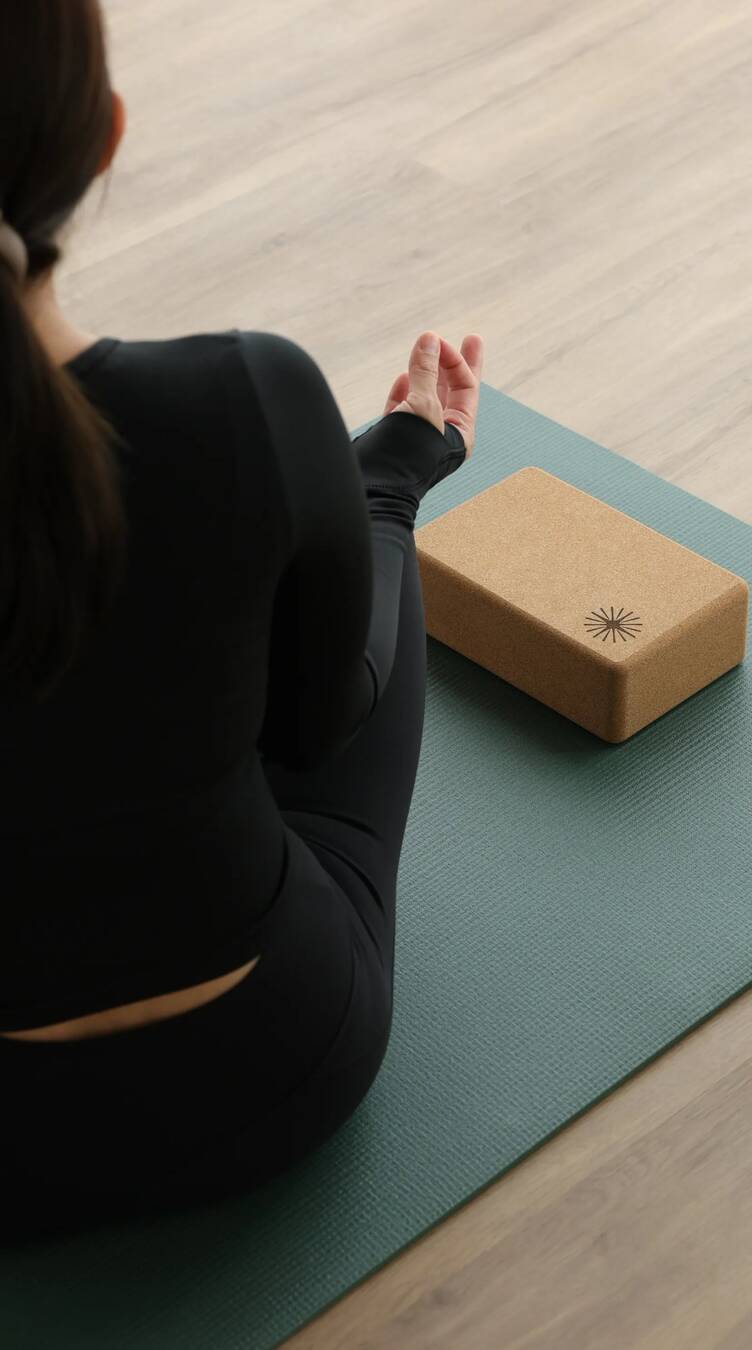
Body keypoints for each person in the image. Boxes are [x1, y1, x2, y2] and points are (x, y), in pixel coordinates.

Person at [0, 0, 484, 1242]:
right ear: (103, 136)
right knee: (316, 727)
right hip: (265, 1066)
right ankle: (394, 481)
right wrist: (372, 479)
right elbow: (323, 720)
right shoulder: (246, 397)